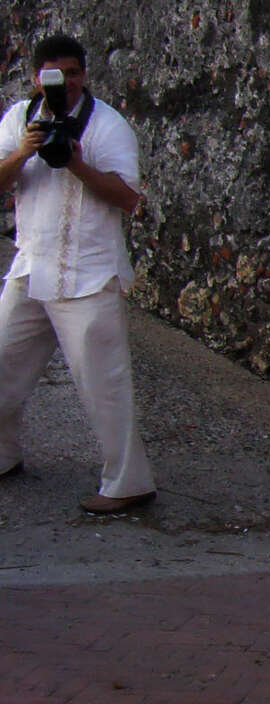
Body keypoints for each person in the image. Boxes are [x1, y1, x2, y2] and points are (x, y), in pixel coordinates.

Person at [0, 33, 152, 514]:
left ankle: (128, 483)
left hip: (89, 272)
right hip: (32, 266)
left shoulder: (108, 125)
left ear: (84, 75)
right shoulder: (19, 119)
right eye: (54, 74)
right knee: (2, 363)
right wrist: (23, 153)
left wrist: (76, 163)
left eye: (72, 73)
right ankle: (3, 454)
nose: (64, 82)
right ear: (35, 78)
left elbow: (128, 198)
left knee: (104, 385)